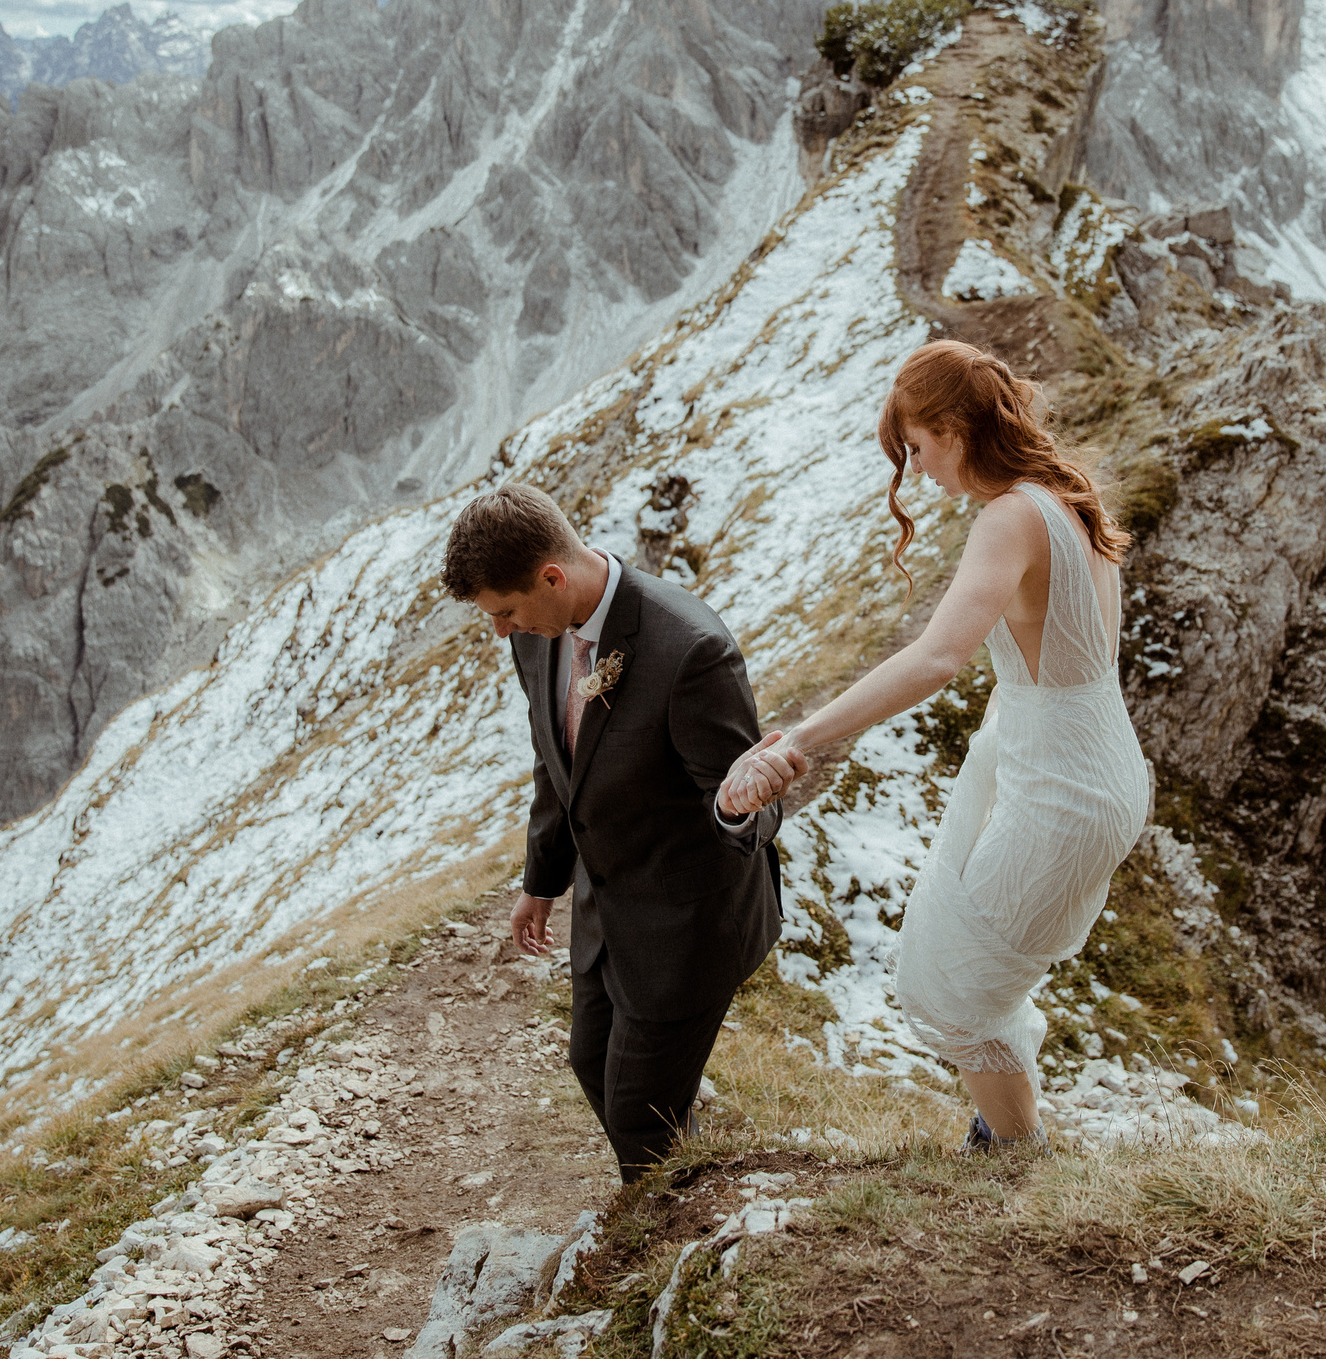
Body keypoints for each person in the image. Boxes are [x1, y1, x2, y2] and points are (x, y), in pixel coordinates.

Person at [722, 340, 1151, 1149]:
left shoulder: (1009, 517)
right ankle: (1003, 1147)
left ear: (956, 428)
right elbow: (1055, 666)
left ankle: (1017, 1161)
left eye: (917, 447)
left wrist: (799, 740)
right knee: (961, 965)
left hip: (1065, 784)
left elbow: (937, 656)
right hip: (1080, 765)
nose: (915, 471)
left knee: (957, 985)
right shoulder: (1063, 496)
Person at [441, 482, 791, 1183]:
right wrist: (540, 882)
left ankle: (676, 1240)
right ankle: (683, 1181)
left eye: (506, 611)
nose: (501, 631)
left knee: (638, 1109)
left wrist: (735, 805)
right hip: (606, 911)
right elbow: (557, 762)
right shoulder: (536, 641)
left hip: (689, 923)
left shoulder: (690, 648)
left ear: (551, 577)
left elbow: (755, 806)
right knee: (589, 1062)